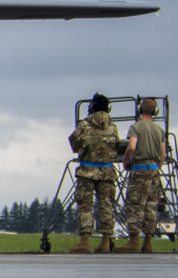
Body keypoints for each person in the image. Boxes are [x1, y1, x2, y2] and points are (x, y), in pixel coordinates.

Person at [68, 93, 122, 253]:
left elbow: (74, 145)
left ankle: (84, 242)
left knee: (85, 206)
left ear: (91, 108)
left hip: (87, 171)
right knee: (106, 205)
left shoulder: (84, 125)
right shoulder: (113, 127)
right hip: (107, 171)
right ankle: (105, 242)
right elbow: (117, 144)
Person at [122, 97, 169, 253]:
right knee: (151, 207)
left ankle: (134, 242)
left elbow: (132, 146)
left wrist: (125, 160)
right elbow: (163, 153)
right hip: (154, 172)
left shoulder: (135, 127)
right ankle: (148, 242)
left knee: (135, 206)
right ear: (155, 112)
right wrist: (158, 168)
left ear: (140, 110)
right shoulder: (160, 130)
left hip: (139, 171)